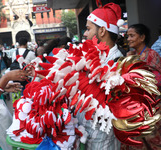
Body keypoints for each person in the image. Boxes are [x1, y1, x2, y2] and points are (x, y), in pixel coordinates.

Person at [76, 3, 124, 150]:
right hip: (86, 135)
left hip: (103, 140)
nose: (85, 33)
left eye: (89, 29)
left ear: (102, 31)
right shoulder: (92, 57)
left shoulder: (118, 64)